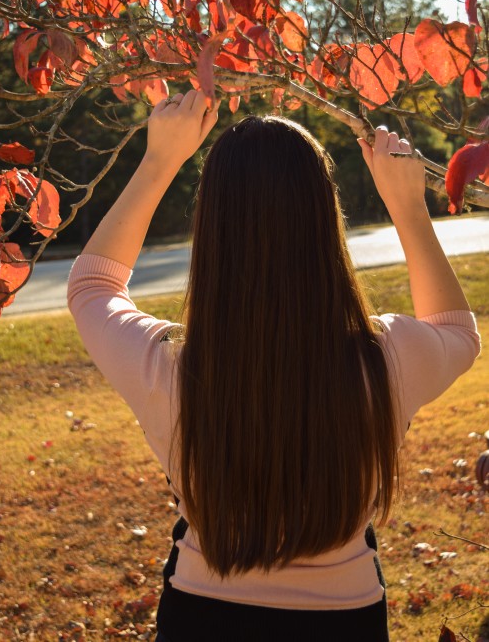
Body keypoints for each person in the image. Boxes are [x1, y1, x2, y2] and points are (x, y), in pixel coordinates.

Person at [67, 89, 480, 642]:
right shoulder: (385, 359)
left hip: (200, 616)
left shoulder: (165, 367)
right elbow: (455, 329)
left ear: (211, 230)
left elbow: (93, 284)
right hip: (345, 620)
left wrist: (160, 159)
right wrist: (407, 207)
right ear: (324, 219)